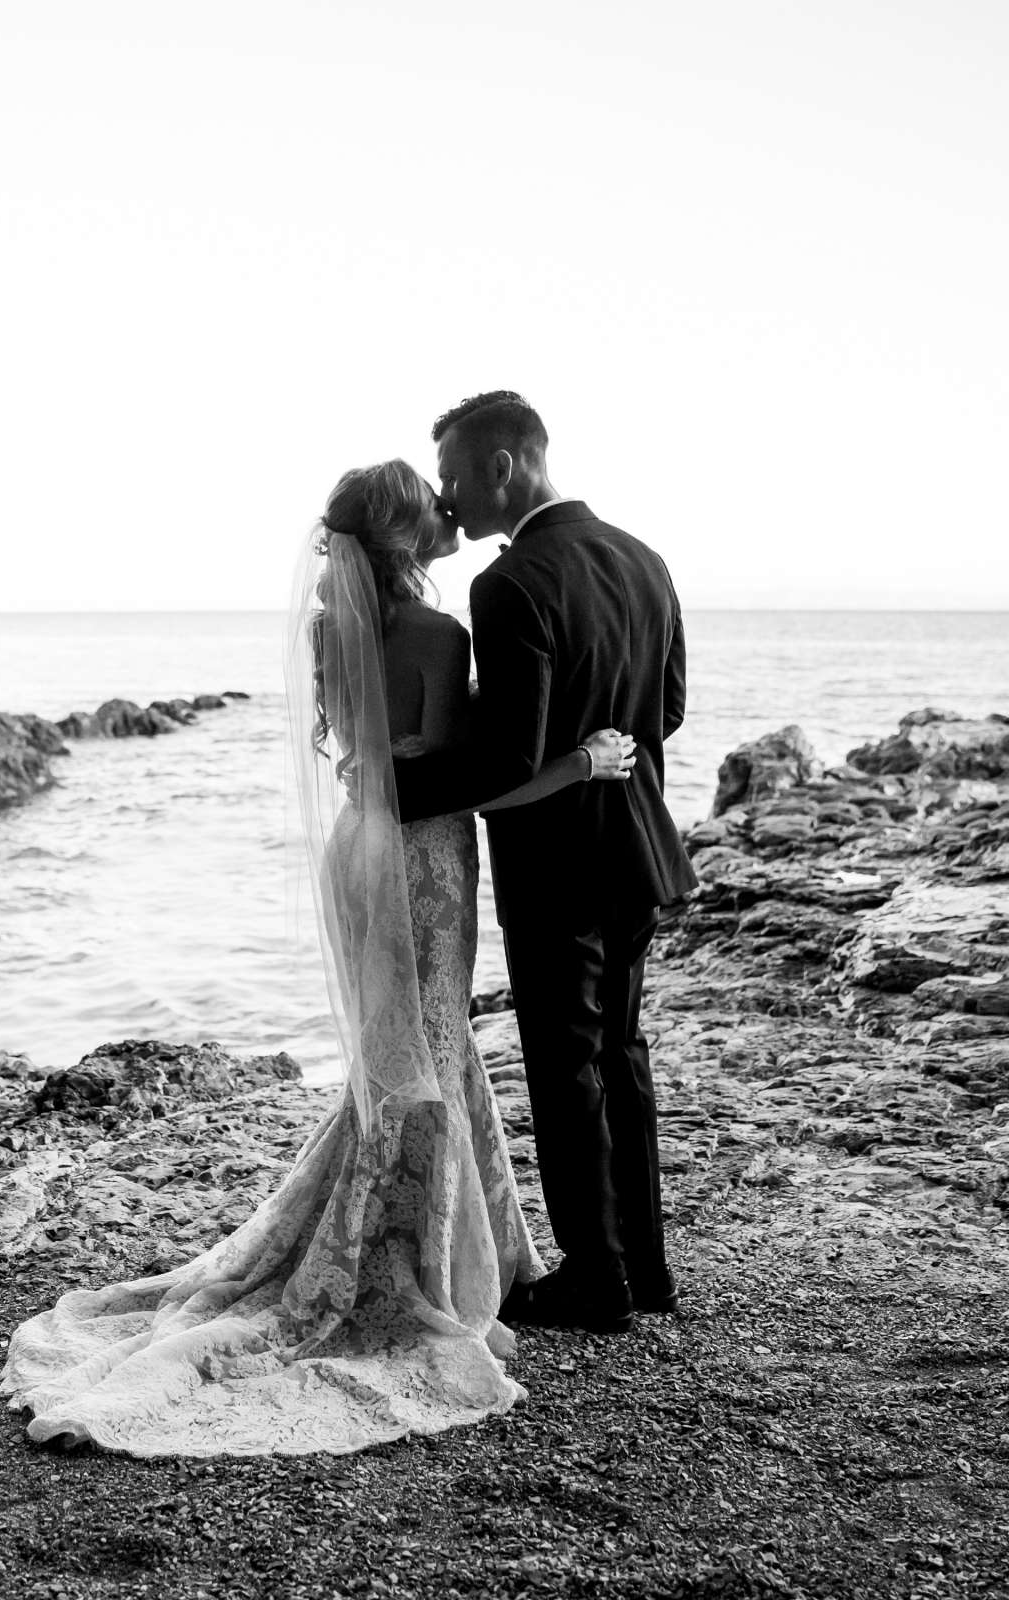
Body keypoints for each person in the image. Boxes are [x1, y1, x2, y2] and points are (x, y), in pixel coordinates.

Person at [0, 459, 636, 1456]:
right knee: (429, 1039)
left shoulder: (327, 631)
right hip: (422, 857)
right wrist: (580, 762)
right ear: (401, 535)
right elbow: (473, 779)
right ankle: (421, 1256)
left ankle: (440, 1236)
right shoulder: (438, 634)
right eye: (426, 502)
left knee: (397, 1049)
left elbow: (372, 762)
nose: (442, 505)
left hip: (354, 846)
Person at [392, 391, 697, 1335]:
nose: (447, 501)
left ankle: (594, 1281)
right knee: (623, 1056)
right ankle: (646, 1269)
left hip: (557, 864)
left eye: (451, 477)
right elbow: (670, 709)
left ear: (501, 466)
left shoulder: (510, 583)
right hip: (638, 849)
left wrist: (398, 799)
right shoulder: (645, 559)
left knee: (566, 1069)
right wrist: (603, 747)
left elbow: (507, 763)